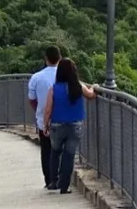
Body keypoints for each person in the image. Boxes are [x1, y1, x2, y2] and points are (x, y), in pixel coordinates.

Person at [42, 58, 96, 194]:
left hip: (57, 125)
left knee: (55, 152)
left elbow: (48, 109)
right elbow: (90, 95)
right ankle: (64, 186)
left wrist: (45, 124)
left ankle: (53, 182)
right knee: (69, 155)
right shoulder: (78, 86)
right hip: (75, 125)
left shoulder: (53, 89)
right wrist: (94, 87)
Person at [27, 46, 61, 190]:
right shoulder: (66, 75)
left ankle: (49, 180)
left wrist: (39, 111)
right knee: (61, 150)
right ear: (59, 58)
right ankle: (61, 178)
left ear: (46, 59)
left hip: (44, 121)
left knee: (46, 151)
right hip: (63, 120)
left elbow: (32, 99)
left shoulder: (36, 77)